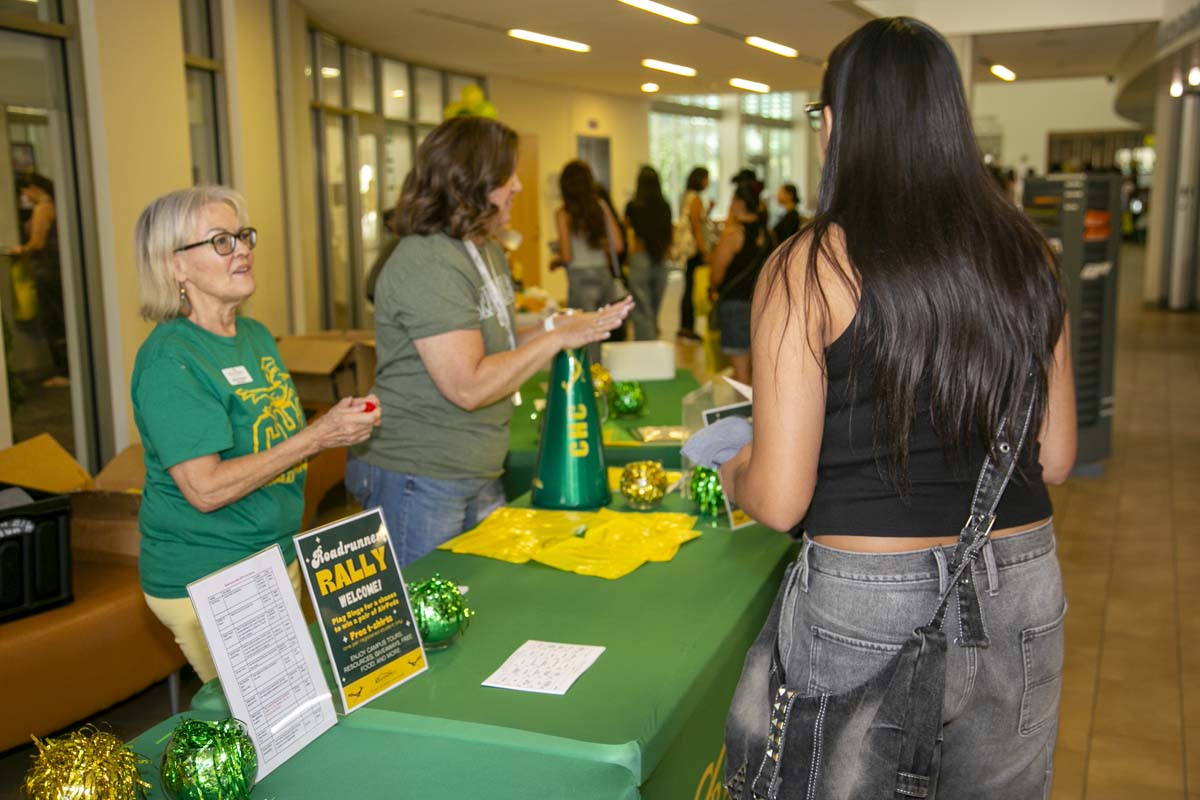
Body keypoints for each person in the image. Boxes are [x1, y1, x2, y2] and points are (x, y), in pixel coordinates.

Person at [715, 18, 1075, 797]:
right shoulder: (1027, 256)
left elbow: (779, 499)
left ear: (837, 123)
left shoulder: (810, 266)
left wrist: (732, 473)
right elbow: (1057, 455)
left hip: (868, 592)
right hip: (1022, 576)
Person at [348, 118, 632, 567]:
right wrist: (557, 337)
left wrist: (558, 326)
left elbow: (494, 345)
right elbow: (469, 385)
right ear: (469, 183)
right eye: (506, 176)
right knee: (424, 625)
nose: (518, 186)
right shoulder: (428, 260)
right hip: (421, 475)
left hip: (472, 467)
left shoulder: (484, 249)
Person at [132, 185, 382, 682]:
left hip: (274, 554)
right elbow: (205, 488)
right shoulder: (171, 360)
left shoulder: (254, 336)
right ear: (175, 265)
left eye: (243, 235)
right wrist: (318, 436)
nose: (242, 249)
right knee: (271, 721)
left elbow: (272, 441)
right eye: (220, 241)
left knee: (298, 707)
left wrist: (336, 423)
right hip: (212, 572)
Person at [709, 172, 770, 385]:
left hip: (735, 306)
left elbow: (716, 275)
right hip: (763, 304)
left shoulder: (734, 234)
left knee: (741, 373)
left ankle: (745, 417)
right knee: (756, 371)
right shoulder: (767, 234)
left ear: (738, 202)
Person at [8, 173, 68, 387]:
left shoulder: (42, 208)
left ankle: (64, 371)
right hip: (54, 269)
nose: (25, 196)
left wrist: (21, 249)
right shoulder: (55, 205)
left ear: (33, 188)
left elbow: (37, 242)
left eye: (25, 191)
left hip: (46, 269)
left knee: (53, 320)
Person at [623, 166, 673, 340]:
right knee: (653, 309)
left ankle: (646, 350)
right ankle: (653, 347)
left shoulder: (632, 206)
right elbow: (669, 235)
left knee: (642, 311)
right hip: (661, 259)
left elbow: (627, 234)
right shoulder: (665, 206)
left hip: (640, 258)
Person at [677, 167, 711, 342]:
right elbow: (697, 226)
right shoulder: (695, 199)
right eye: (706, 178)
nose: (708, 182)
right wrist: (703, 249)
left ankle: (685, 325)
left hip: (688, 250)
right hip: (695, 251)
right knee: (693, 288)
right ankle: (688, 326)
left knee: (688, 286)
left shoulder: (686, 196)